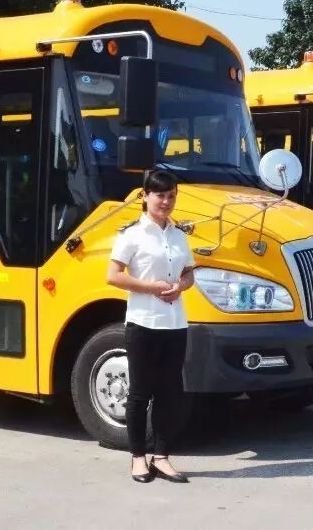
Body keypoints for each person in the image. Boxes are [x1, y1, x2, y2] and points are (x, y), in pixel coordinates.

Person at [106, 170, 195, 484]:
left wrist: (180, 286)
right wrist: (151, 287)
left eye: (171, 195)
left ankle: (162, 456)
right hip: (143, 322)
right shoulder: (131, 234)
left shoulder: (179, 234)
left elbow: (189, 274)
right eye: (160, 195)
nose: (166, 201)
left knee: (170, 393)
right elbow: (113, 275)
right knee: (140, 393)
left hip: (175, 323)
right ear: (144, 196)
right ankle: (138, 458)